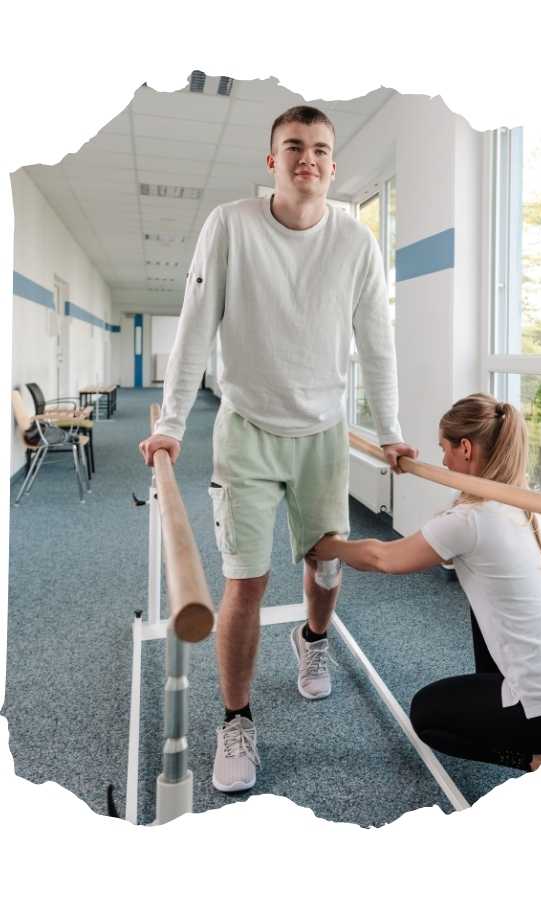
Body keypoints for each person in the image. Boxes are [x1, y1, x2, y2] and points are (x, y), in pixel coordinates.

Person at [138, 105, 416, 793]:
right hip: (249, 431)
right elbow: (197, 326)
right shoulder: (231, 226)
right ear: (272, 161)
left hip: (322, 434)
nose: (308, 160)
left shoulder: (355, 242)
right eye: (294, 147)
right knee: (247, 583)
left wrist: (388, 430)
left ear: (332, 164)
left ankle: (313, 643)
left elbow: (376, 343)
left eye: (321, 149)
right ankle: (236, 718)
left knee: (325, 567)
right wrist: (171, 423)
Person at [312, 393, 541, 772]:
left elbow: (383, 559)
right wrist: (398, 459)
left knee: (427, 715)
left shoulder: (469, 521)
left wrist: (329, 546)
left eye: (444, 449)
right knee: (482, 603)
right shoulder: (518, 498)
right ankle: (535, 730)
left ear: (466, 448)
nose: (441, 461)